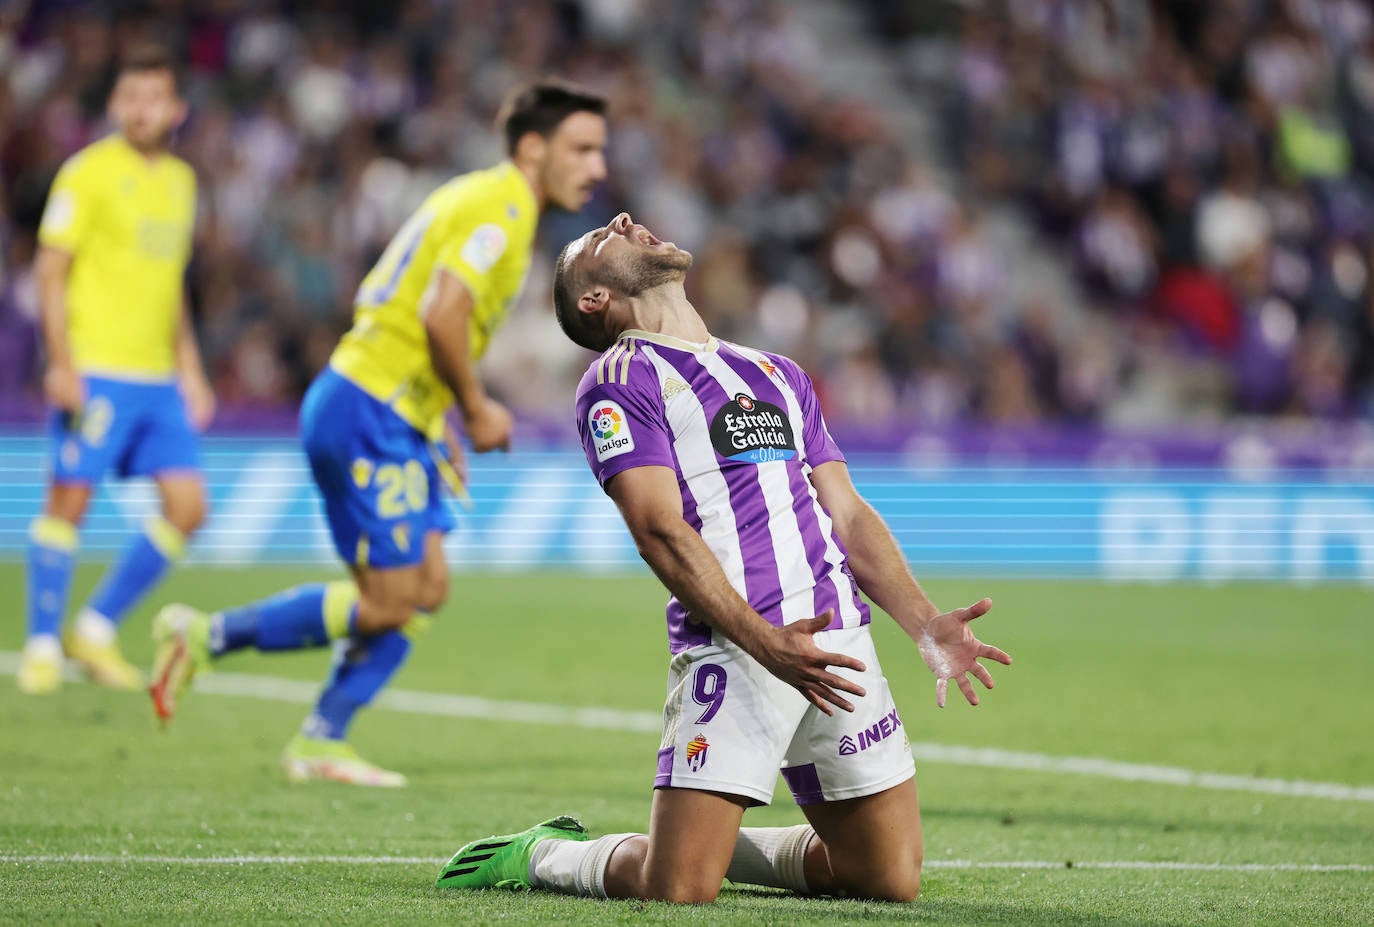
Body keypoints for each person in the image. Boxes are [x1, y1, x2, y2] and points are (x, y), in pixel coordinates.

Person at [436, 213, 1013, 902]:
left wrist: (923, 622)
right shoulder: (618, 380)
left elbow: (848, 513)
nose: (623, 218)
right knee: (676, 887)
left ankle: (705, 838)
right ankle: (544, 853)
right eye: (599, 237)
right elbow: (657, 528)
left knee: (885, 877)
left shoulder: (775, 371)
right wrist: (765, 641)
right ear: (595, 299)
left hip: (837, 643)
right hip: (736, 645)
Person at [147, 81, 609, 786]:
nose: (597, 167)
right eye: (582, 148)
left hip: (396, 409)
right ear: (533, 147)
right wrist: (477, 407)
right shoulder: (504, 206)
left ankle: (321, 739)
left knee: (426, 585)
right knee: (392, 597)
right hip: (368, 405)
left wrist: (439, 418)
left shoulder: (489, 198)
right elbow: (440, 314)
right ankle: (206, 636)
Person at [17, 45, 214, 696]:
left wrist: (191, 368)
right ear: (113, 105)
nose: (141, 110)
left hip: (157, 377)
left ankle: (95, 628)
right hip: (97, 367)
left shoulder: (182, 184)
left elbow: (172, 286)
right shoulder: (87, 174)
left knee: (187, 507)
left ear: (176, 109)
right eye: (130, 97)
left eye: (154, 98)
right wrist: (61, 362)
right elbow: (50, 271)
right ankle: (42, 644)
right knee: (68, 500)